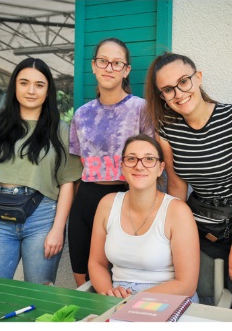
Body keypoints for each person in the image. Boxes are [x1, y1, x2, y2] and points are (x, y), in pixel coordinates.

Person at [150, 52, 232, 310]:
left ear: (198, 78)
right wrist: (166, 238)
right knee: (186, 292)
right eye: (168, 89)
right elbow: (177, 188)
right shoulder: (167, 130)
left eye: (183, 82)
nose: (179, 93)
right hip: (201, 222)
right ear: (162, 96)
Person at [0, 58, 80, 284]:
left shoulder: (61, 130)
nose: (31, 90)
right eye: (24, 83)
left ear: (48, 90)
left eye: (39, 85)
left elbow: (67, 184)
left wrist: (57, 229)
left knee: (38, 297)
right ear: (15, 86)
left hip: (42, 219)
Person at [66, 38, 152, 286]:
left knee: (120, 281)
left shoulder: (141, 110)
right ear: (93, 66)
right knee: (83, 280)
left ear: (126, 70)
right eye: (103, 61)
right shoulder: (81, 115)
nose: (109, 68)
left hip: (126, 198)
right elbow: (78, 167)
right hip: (86, 199)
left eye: (117, 63)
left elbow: (155, 163)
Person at [88, 135, 199, 299]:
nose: (139, 166)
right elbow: (96, 263)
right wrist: (109, 292)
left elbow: (186, 285)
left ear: (160, 168)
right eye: (131, 159)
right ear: (122, 166)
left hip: (168, 297)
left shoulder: (177, 211)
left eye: (149, 159)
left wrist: (136, 299)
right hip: (119, 297)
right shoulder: (107, 204)